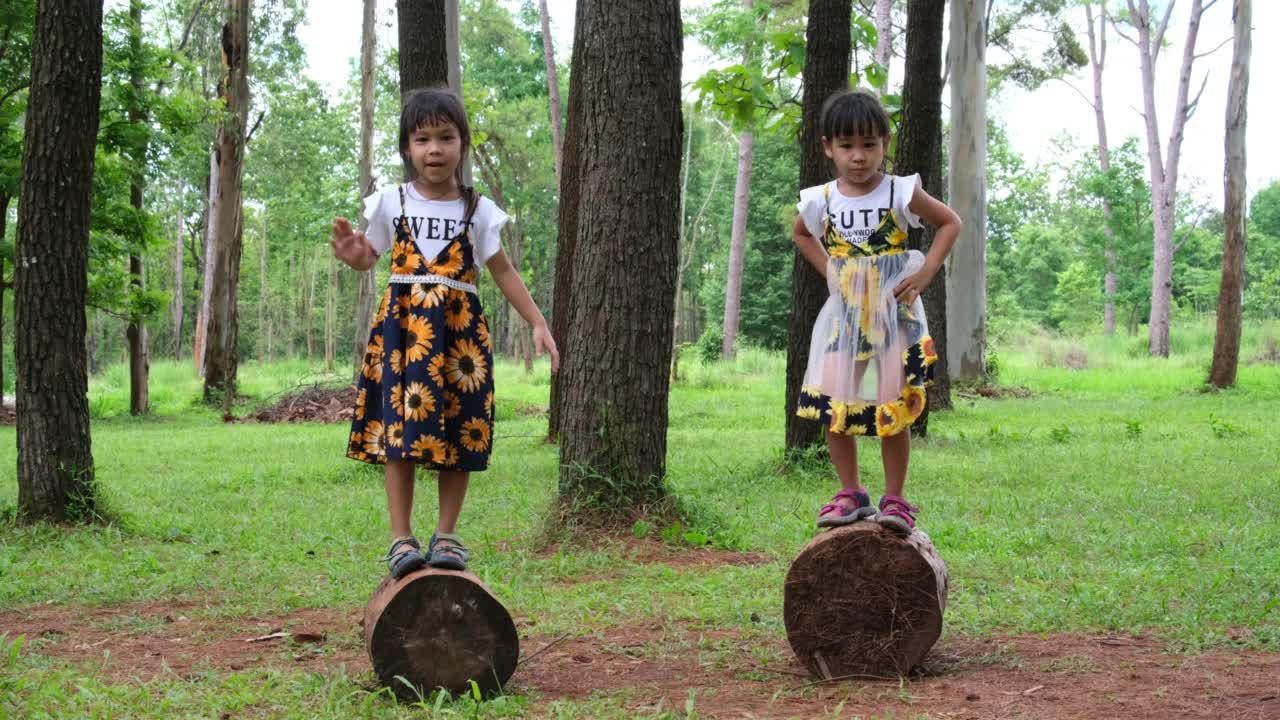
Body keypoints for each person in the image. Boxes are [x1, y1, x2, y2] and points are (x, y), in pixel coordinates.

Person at [331, 87, 559, 577]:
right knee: (400, 434)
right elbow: (368, 255)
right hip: (403, 336)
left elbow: (503, 272)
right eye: (422, 139)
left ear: (463, 144)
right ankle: (400, 540)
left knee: (460, 429)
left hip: (460, 338)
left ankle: (448, 535)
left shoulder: (480, 211)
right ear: (406, 148)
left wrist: (537, 321)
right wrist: (354, 258)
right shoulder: (389, 202)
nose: (434, 149)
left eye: (445, 137)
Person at [792, 89, 960, 535]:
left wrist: (924, 273)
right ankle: (851, 492)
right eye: (847, 146)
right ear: (828, 146)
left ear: (885, 143)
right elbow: (803, 236)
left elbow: (950, 222)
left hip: (893, 315)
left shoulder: (900, 191)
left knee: (892, 406)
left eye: (869, 145)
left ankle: (896, 499)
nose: (859, 157)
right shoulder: (820, 199)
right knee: (835, 401)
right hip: (845, 314)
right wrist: (829, 268)